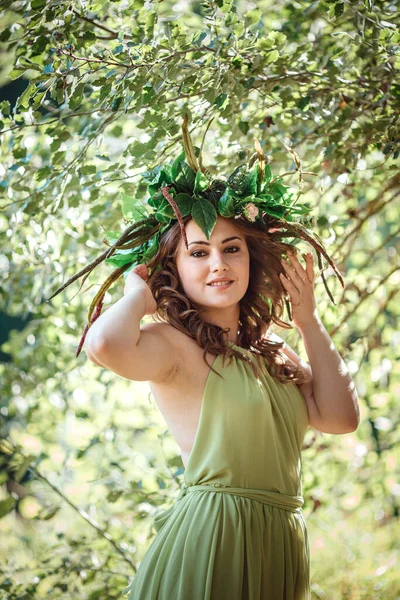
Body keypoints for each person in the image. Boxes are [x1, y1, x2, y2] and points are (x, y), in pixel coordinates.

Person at [49, 116, 360, 599]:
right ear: (173, 266)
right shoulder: (174, 346)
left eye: (231, 248)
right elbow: (104, 345)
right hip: (214, 538)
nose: (218, 264)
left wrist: (308, 322)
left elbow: (342, 419)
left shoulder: (272, 351)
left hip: (278, 546)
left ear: (250, 258)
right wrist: (137, 292)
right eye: (198, 253)